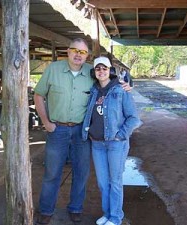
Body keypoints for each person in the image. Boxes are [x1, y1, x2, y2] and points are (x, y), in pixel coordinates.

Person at [34, 38, 131, 225]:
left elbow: (109, 82)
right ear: (68, 51)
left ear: (87, 55)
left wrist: (126, 86)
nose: (78, 55)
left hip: (82, 132)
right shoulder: (53, 69)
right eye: (75, 50)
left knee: (81, 172)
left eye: (83, 52)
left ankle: (75, 208)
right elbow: (39, 95)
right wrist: (45, 122)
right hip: (57, 129)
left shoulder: (91, 71)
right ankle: (46, 210)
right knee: (52, 172)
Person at [82, 56, 141, 225]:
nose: (101, 71)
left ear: (110, 71)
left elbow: (133, 118)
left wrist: (120, 135)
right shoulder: (92, 90)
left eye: (105, 68)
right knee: (102, 183)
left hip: (116, 144)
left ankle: (116, 218)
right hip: (97, 144)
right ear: (94, 72)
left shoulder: (121, 90)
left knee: (115, 181)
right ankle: (107, 214)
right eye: (98, 68)